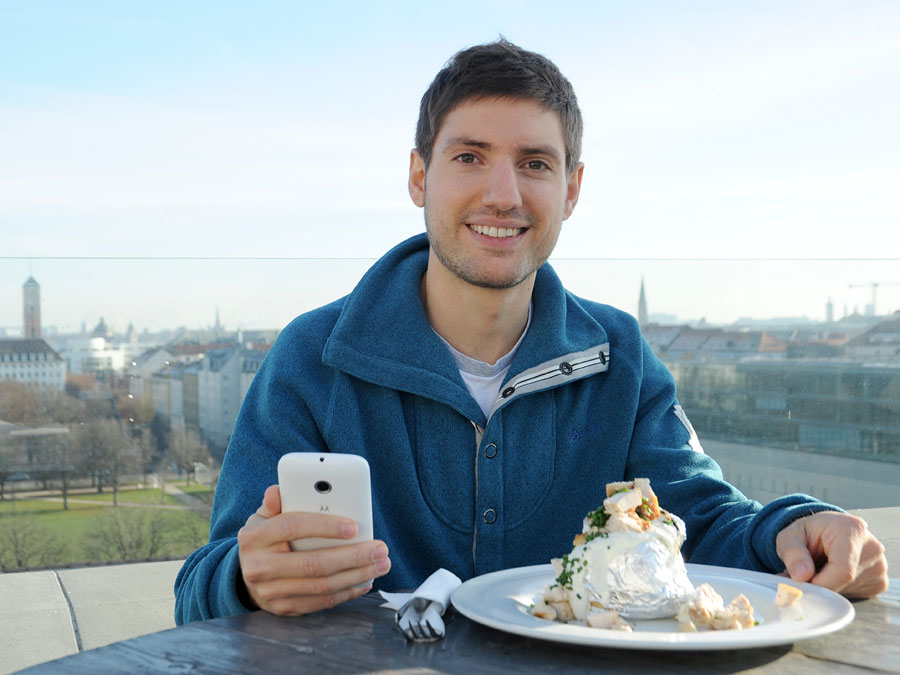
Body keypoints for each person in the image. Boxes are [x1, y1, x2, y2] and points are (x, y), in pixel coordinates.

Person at [174, 39, 888, 624]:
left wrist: (794, 529)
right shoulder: (313, 358)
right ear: (418, 176)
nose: (503, 194)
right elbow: (197, 591)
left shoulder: (621, 357)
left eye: (535, 164)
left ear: (571, 190)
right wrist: (244, 576)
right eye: (470, 157)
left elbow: (699, 519)